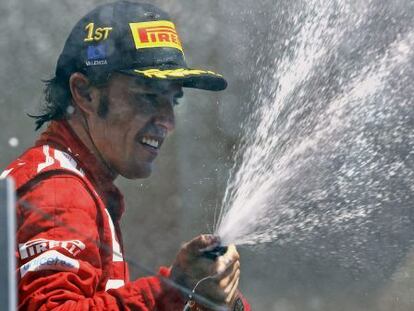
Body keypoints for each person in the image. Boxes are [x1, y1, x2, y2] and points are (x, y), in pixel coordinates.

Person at [2, 1, 250, 310]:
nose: (167, 121)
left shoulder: (66, 180)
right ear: (84, 93)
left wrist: (202, 300)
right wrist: (175, 290)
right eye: (148, 96)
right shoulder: (60, 193)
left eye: (173, 100)